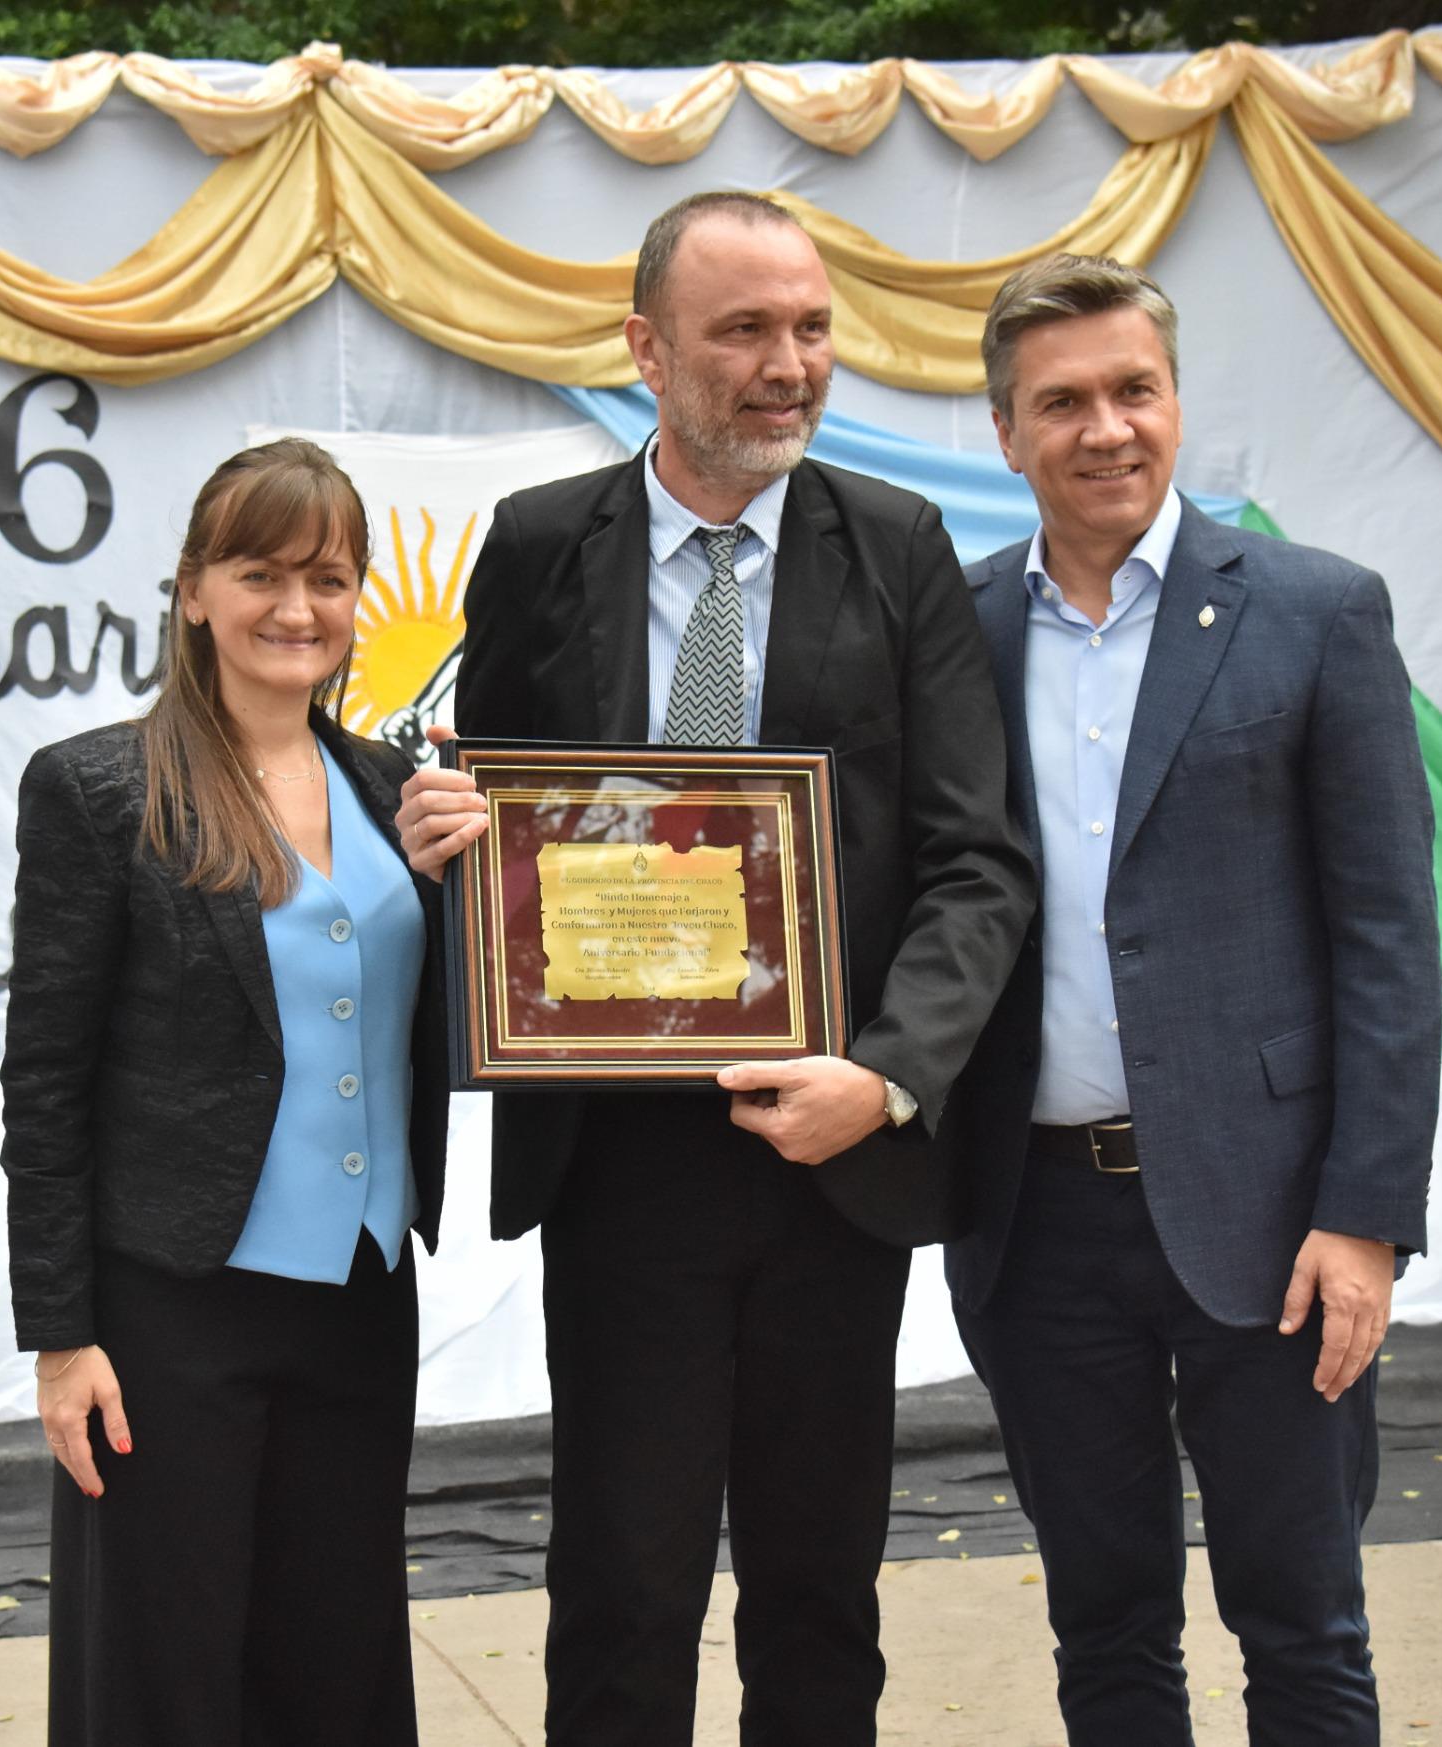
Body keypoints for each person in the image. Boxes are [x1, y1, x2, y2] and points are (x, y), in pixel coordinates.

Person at [396, 193, 1035, 1745]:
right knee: (620, 1584)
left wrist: (883, 1077)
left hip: (832, 1149)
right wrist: (445, 821)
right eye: (744, 329)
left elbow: (977, 861)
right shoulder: (545, 549)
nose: (787, 364)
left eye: (810, 328)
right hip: (623, 1158)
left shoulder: (898, 546)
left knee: (821, 1590)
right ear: (646, 350)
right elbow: (509, 818)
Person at [943, 253, 1441, 1745]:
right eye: (1064, 402)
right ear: (1006, 431)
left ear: (1175, 401)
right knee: (1105, 1631)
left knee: (1304, 1627)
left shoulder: (1315, 612)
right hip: (1034, 1226)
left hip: (1277, 1220)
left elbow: (1388, 943)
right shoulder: (952, 636)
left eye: (1132, 390)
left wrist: (1367, 1216)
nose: (1106, 428)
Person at [0, 438, 464, 1746]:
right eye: (258, 571)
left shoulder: (398, 796)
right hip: (168, 1313)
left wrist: (494, 890)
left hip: (363, 1301)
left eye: (327, 577)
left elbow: (460, 1013)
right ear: (193, 589)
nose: (297, 608)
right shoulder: (98, 791)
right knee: (166, 1672)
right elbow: (45, 1083)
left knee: (338, 1659)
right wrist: (62, 1337)